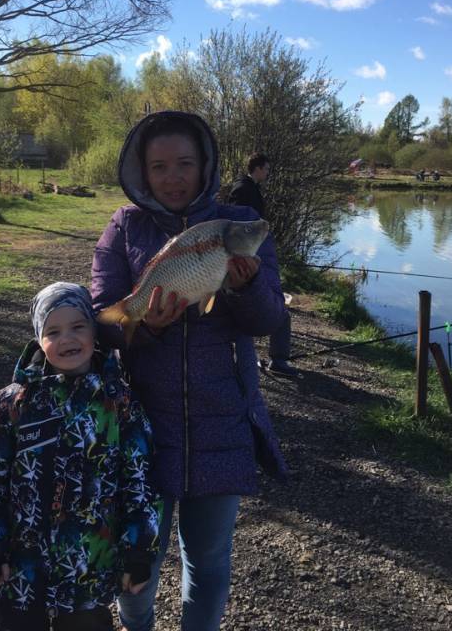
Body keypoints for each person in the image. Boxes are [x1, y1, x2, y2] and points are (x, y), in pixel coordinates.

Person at [91, 111, 288, 631]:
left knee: (209, 561)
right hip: (141, 426)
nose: (173, 177)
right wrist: (145, 325)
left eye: (184, 163)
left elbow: (270, 319)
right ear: (143, 171)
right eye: (159, 166)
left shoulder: (238, 224)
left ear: (205, 166)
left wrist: (243, 287)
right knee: (139, 559)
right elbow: (102, 321)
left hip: (223, 418)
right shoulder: (124, 226)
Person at [0, 282, 161, 631]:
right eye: (53, 331)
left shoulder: (119, 403)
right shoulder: (12, 404)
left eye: (78, 326)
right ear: (39, 339)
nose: (67, 338)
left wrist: (139, 549)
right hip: (20, 571)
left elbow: (140, 479)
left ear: (94, 332)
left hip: (87, 570)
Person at [228, 152, 298, 378]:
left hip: (256, 254)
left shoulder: (250, 187)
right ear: (256, 168)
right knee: (278, 311)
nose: (268, 173)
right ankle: (278, 360)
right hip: (248, 257)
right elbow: (237, 228)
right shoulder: (242, 190)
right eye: (266, 169)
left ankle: (269, 358)